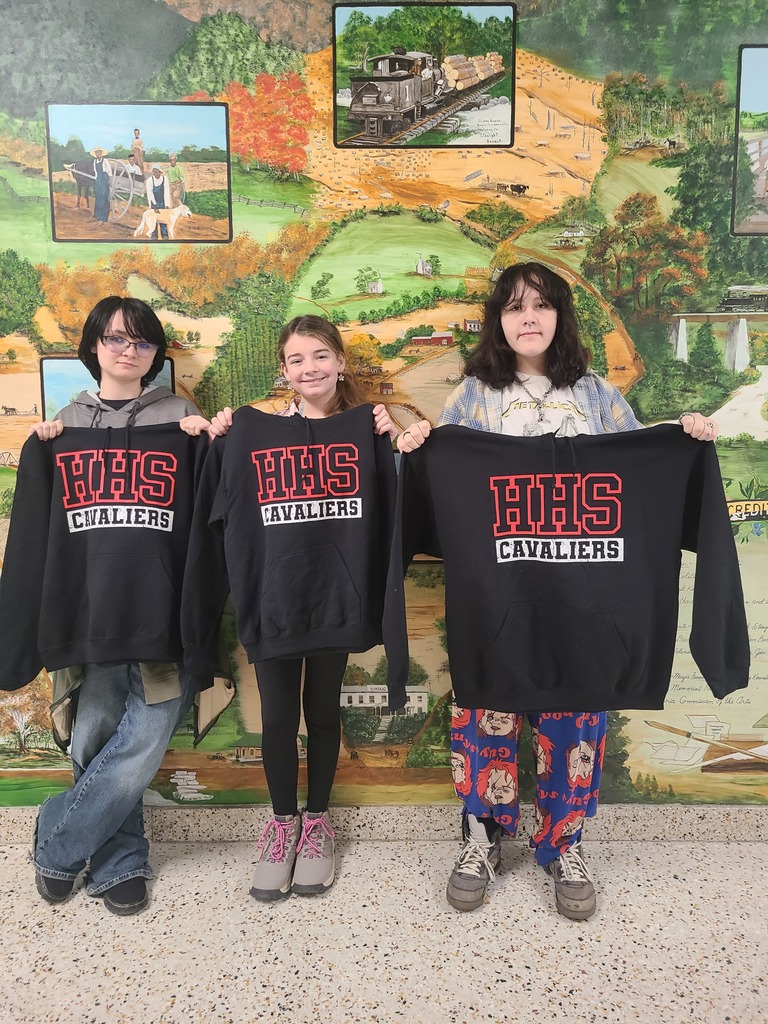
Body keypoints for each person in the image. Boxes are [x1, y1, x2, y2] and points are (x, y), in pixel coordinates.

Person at [397, 262, 720, 921]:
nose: (529, 317)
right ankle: (482, 839)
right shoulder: (474, 396)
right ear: (500, 320)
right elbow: (444, 488)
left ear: (560, 316)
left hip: (583, 588)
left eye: (542, 305)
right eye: (515, 307)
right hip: (498, 591)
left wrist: (680, 442)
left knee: (576, 716)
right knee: (486, 706)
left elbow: (636, 473)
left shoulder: (597, 394)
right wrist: (418, 448)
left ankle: (563, 844)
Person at [19, 296, 211, 915]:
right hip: (91, 609)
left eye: (142, 342)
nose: (129, 352)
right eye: (116, 340)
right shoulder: (65, 423)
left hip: (163, 607)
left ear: (157, 354)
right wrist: (46, 443)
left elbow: (211, 500)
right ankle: (121, 860)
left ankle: (58, 838)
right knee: (96, 734)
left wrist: (206, 439)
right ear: (94, 346)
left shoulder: (180, 416)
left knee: (143, 737)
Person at [206, 315, 396, 901]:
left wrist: (396, 432)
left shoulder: (368, 428)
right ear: (283, 372)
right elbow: (217, 506)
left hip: (335, 597)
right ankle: (283, 823)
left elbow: (407, 488)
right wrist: (216, 433)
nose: (309, 368)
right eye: (296, 359)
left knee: (323, 709)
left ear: (340, 362)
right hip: (274, 598)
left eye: (319, 355)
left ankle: (317, 824)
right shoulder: (251, 433)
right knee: (279, 713)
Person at [145, 165, 171, 239]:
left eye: (159, 172)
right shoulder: (150, 180)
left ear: (161, 172)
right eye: (155, 172)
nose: (157, 174)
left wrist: (167, 205)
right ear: (153, 172)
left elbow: (166, 192)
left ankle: (165, 235)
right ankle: (154, 235)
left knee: (163, 219)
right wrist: (154, 205)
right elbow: (150, 193)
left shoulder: (165, 179)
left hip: (162, 202)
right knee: (154, 219)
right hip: (154, 203)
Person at [90, 147, 112, 224]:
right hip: (98, 179)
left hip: (105, 178)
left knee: (104, 197)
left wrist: (110, 180)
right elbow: (95, 172)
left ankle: (104, 218)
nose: (97, 154)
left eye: (99, 152)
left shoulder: (105, 161)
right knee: (98, 197)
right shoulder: (95, 161)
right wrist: (96, 180)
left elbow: (109, 171)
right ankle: (97, 216)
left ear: (101, 153)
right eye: (96, 152)